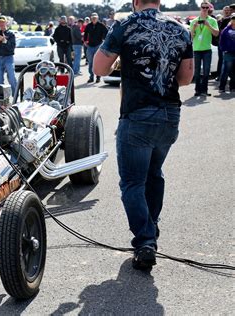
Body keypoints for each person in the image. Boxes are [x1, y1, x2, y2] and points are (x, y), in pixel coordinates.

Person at [93, 0, 193, 270]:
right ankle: (151, 226)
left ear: (135, 2)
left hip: (138, 114)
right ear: (159, 1)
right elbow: (185, 78)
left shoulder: (124, 25)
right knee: (154, 173)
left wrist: (120, 63)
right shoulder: (181, 28)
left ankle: (146, 240)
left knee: (133, 183)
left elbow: (99, 69)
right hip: (170, 114)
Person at [190, 1, 219, 96]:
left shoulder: (212, 20)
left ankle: (204, 90)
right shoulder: (194, 21)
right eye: (203, 7)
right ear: (200, 8)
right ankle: (197, 90)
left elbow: (216, 33)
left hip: (207, 49)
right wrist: (194, 28)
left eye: (207, 7)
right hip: (197, 49)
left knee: (206, 71)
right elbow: (191, 37)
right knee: (197, 72)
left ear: (209, 9)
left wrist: (208, 25)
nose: (205, 9)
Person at [0, 16, 17, 95]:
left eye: (3, 22)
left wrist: (5, 41)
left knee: (12, 78)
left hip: (8, 58)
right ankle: (1, 100)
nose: (1, 24)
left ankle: (15, 96)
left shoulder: (11, 34)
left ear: (6, 23)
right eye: (0, 22)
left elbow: (12, 48)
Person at [84, 12, 108, 83]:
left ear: (97, 18)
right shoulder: (88, 25)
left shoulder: (101, 25)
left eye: (95, 18)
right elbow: (85, 33)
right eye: (93, 18)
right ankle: (91, 77)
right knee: (90, 62)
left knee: (97, 62)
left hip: (98, 45)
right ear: (91, 18)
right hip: (90, 46)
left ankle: (98, 77)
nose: (94, 19)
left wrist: (104, 40)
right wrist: (85, 41)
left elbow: (107, 33)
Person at [218, 13, 235, 93]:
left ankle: (233, 87)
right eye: (233, 18)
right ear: (231, 19)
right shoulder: (226, 30)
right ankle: (222, 87)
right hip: (228, 53)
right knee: (226, 71)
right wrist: (224, 49)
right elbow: (221, 41)